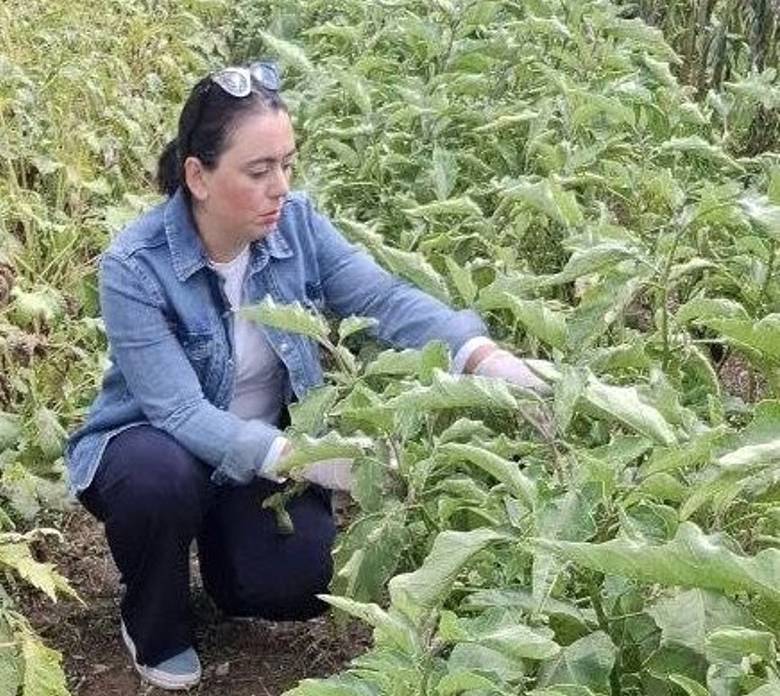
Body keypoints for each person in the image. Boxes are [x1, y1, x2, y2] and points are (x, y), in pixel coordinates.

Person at [62, 61, 546, 691]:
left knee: (296, 580)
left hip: (257, 458)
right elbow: (178, 411)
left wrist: (480, 355)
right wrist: (308, 458)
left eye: (287, 165)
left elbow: (383, 299)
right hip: (156, 445)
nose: (280, 187)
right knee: (160, 482)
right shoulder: (135, 264)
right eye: (259, 171)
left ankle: (223, 551)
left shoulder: (297, 224)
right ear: (198, 176)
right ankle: (154, 618)